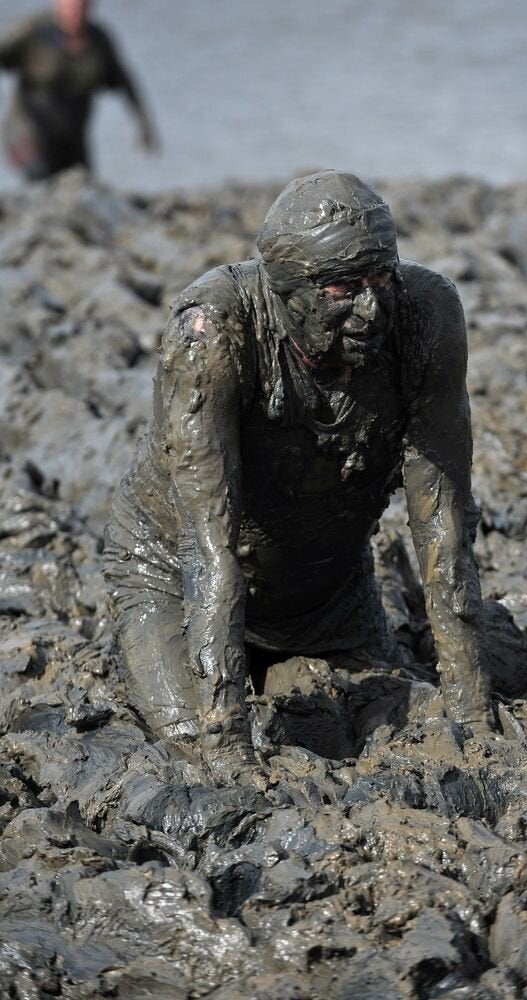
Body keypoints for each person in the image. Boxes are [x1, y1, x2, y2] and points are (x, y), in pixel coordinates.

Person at [104, 170, 493, 783]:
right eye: (343, 289)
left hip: (327, 593)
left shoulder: (426, 313)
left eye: (380, 278)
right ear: (286, 292)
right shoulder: (213, 332)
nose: (371, 310)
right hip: (173, 580)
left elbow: (443, 519)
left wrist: (472, 710)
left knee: (391, 715)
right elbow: (210, 546)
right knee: (197, 751)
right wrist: (226, 739)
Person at [0, 0, 157, 181]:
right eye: (70, 4)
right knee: (39, 177)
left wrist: (145, 125)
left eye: (82, 5)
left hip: (73, 136)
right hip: (27, 131)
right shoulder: (34, 31)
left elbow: (125, 84)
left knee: (84, 187)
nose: (75, 11)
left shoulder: (99, 41)